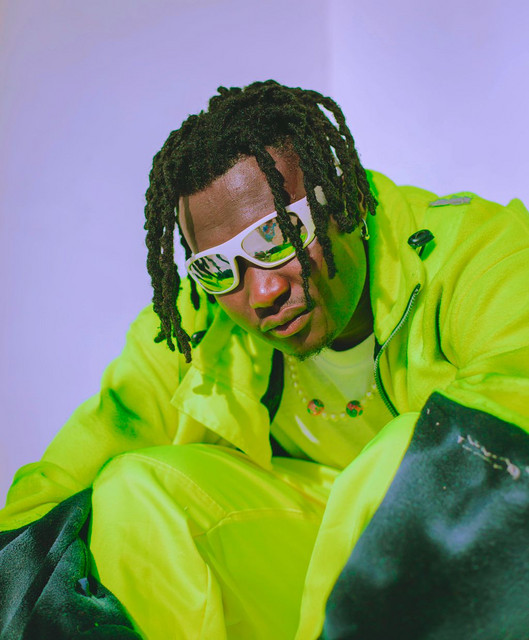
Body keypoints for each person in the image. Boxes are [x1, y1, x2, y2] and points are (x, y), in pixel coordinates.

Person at [1, 79, 529, 640]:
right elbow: (58, 484)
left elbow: (514, 399)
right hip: (297, 551)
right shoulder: (200, 319)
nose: (261, 292)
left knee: (408, 453)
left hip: (457, 568)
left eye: (277, 234)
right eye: (217, 267)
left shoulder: (477, 253)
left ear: (343, 197)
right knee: (133, 490)